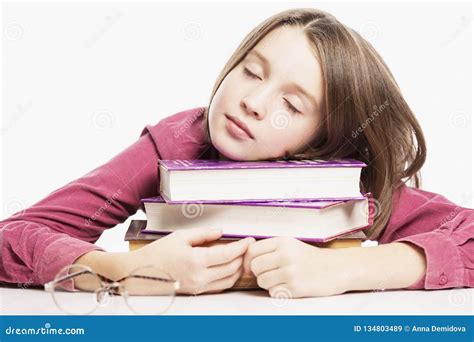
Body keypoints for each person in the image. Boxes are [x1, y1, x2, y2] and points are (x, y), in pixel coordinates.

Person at [1, 8, 472, 298]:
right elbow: (15, 235)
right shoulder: (178, 145)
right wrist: (125, 271)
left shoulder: (340, 186)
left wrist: (344, 269)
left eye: (291, 104)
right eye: (252, 71)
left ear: (324, 139)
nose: (254, 101)